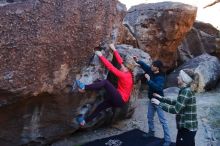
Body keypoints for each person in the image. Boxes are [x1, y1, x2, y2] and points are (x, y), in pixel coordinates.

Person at [75, 44, 134, 126]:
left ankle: (84, 86)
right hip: (121, 101)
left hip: (120, 98)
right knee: (100, 107)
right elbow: (121, 62)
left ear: (127, 69)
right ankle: (84, 121)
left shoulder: (124, 75)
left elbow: (111, 67)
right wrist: (114, 50)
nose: (121, 66)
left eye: (123, 67)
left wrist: (101, 56)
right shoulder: (128, 73)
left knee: (105, 83)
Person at [152, 70, 198, 146]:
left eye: (179, 76)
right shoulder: (185, 90)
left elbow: (176, 109)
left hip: (187, 128)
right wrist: (161, 98)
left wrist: (159, 104)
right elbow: (177, 102)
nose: (177, 77)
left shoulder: (186, 91)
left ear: (184, 79)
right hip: (186, 127)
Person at [133, 57, 171, 146]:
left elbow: (158, 88)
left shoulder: (161, 77)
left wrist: (149, 80)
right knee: (149, 117)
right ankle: (151, 132)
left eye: (153, 66)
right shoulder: (151, 70)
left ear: (157, 68)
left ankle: (168, 140)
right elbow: (144, 66)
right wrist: (137, 60)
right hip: (151, 100)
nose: (151, 66)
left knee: (163, 121)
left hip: (159, 100)